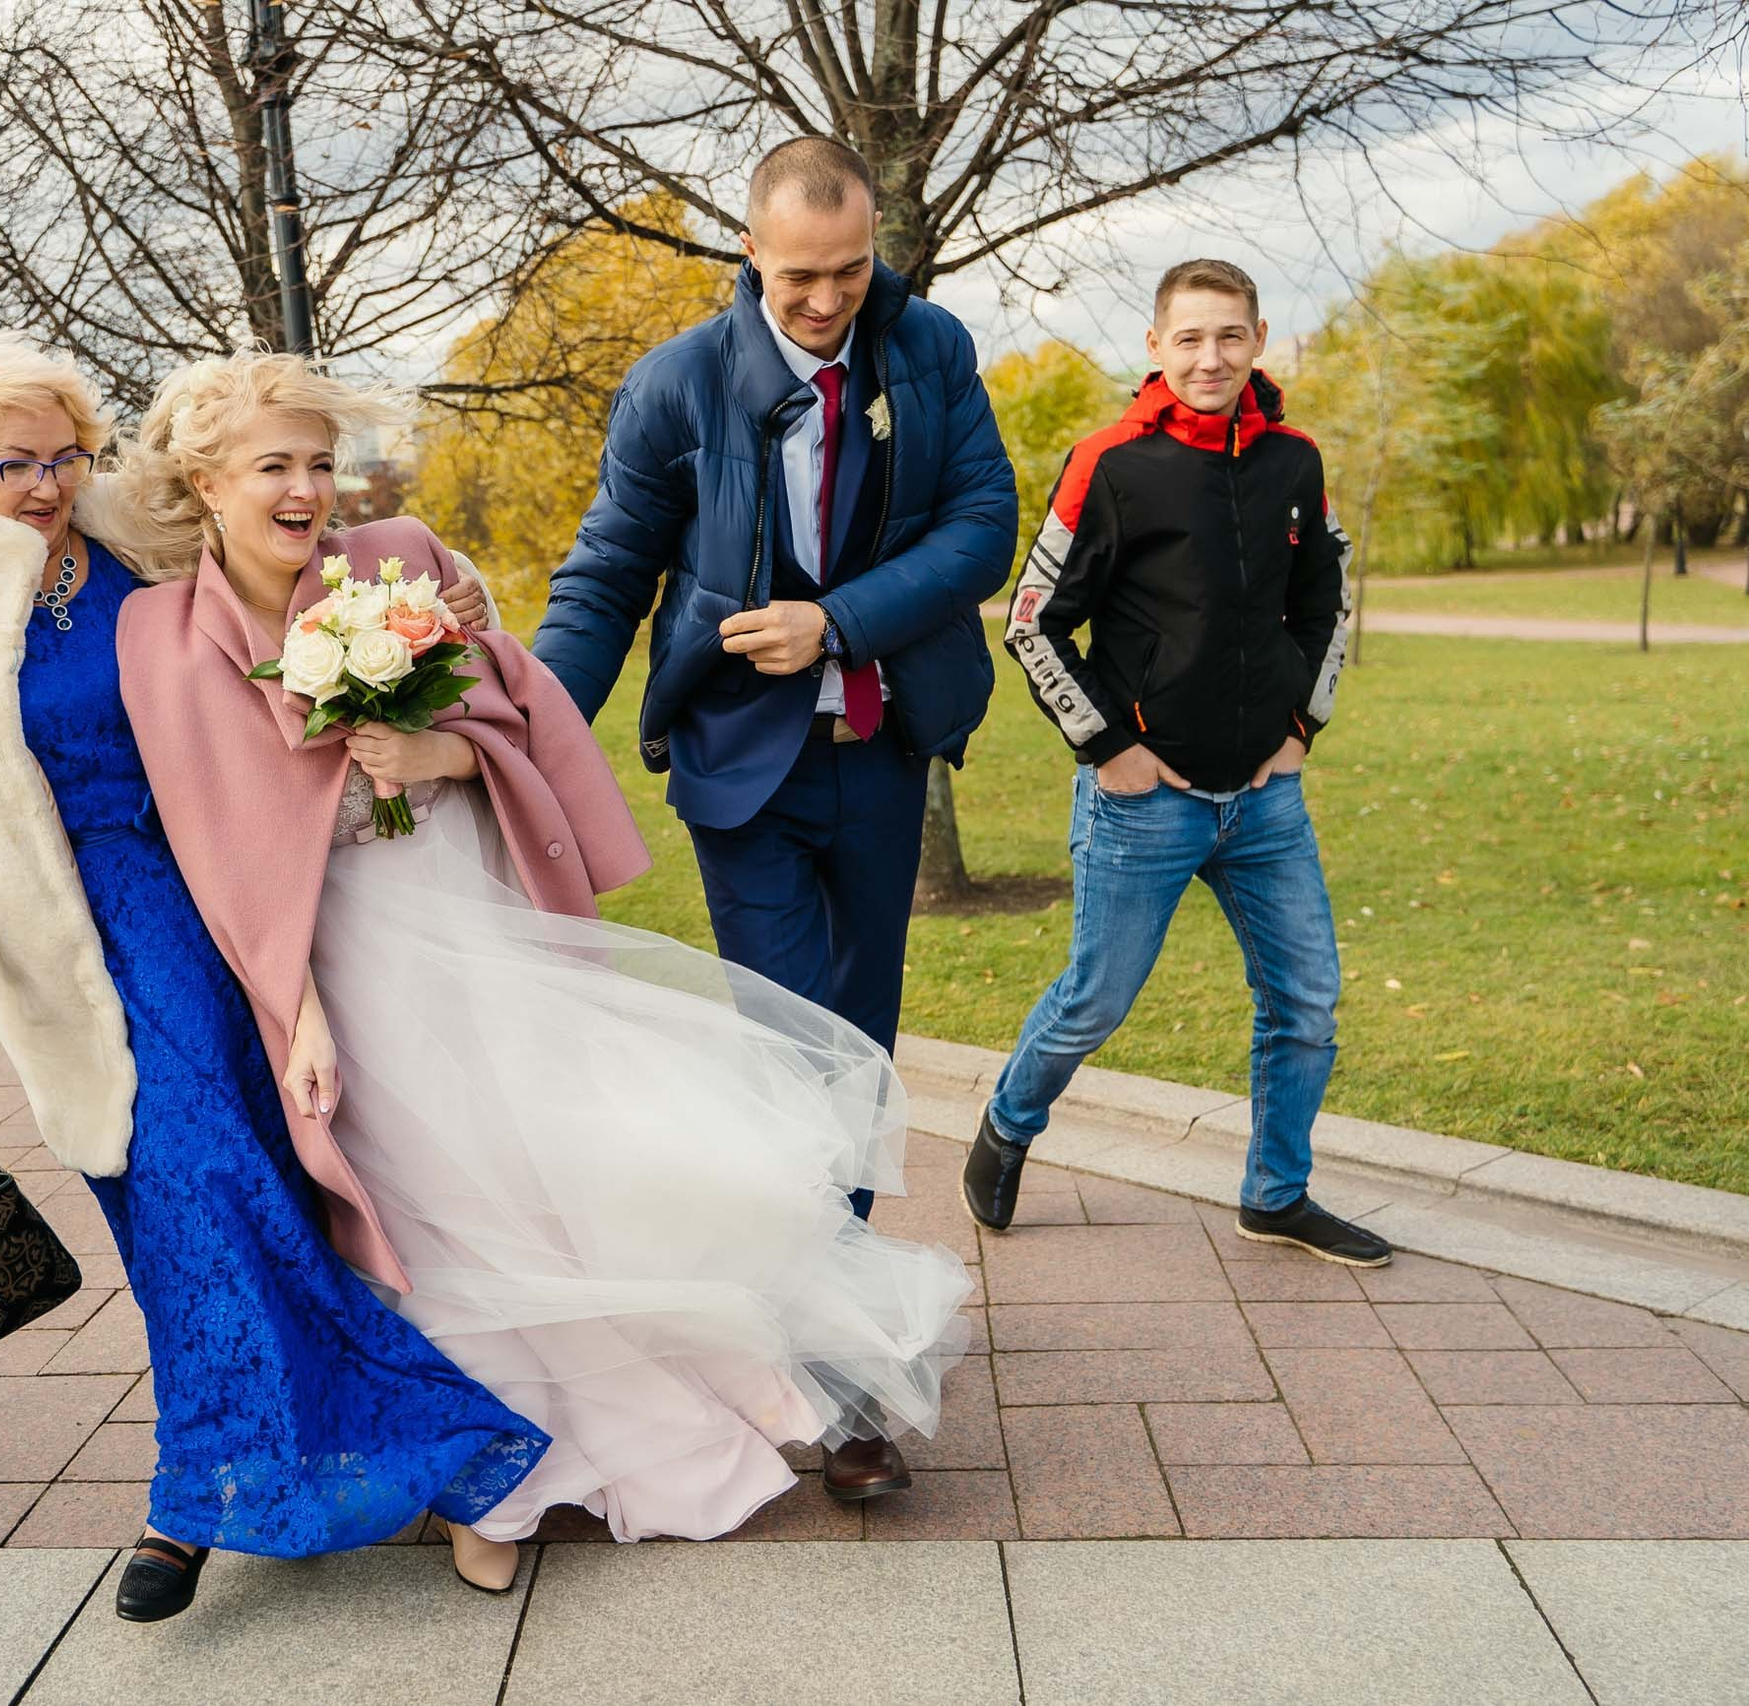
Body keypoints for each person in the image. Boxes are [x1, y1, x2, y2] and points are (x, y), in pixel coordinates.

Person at [107, 351, 971, 1567]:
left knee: (538, 1170)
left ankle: (641, 1417)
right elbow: (212, 835)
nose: (306, 490)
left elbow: (513, 710)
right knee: (428, 1206)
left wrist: (439, 760)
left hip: (465, 907)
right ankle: (497, 1480)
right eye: (273, 467)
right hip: (341, 951)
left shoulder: (396, 559)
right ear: (205, 481)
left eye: (317, 463)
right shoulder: (159, 632)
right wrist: (294, 1008)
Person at [0, 331, 543, 1624]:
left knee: (262, 1185)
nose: (47, 484)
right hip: (75, 940)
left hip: (234, 886)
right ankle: (287, 1472)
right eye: (14, 463)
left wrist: (445, 605)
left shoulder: (136, 539)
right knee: (184, 1198)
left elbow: (300, 562)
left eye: (66, 454)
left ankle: (255, 1480)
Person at [529, 138, 1015, 1500]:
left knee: (856, 1055)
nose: (825, 299)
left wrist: (838, 621)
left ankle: (820, 1313)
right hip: (741, 771)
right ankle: (845, 1385)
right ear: (749, 251)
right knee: (794, 1057)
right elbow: (608, 573)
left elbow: (985, 524)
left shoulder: (929, 350)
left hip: (882, 751)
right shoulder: (676, 384)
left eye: (850, 269)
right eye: (799, 274)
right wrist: (519, 728)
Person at [966, 258, 1386, 1268]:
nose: (1211, 356)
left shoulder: (1295, 459)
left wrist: (1300, 731)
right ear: (1155, 347)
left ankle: (1276, 1194)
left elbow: (1325, 606)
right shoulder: (1110, 462)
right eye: (1189, 338)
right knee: (1095, 999)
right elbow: (1031, 621)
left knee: (1308, 1000)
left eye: (1229, 336)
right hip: (1142, 803)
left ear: (1258, 339)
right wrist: (1108, 747)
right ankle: (1008, 1123)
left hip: (1264, 798)